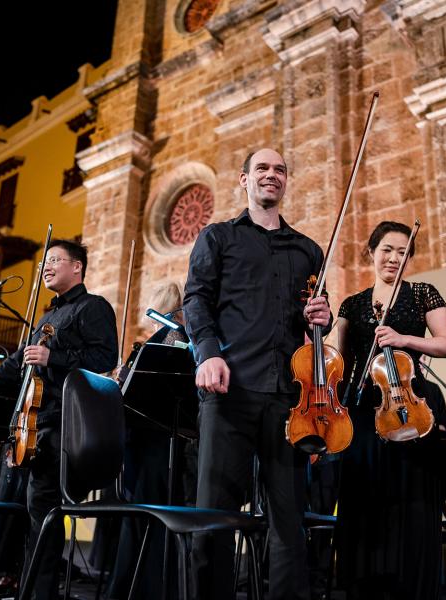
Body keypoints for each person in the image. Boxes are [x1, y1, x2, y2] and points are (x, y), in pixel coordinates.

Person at [184, 148, 331, 600]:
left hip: (289, 398)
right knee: (214, 515)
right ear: (243, 180)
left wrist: (321, 315)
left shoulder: (308, 250)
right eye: (262, 169)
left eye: (280, 170)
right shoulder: (218, 237)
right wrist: (208, 353)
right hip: (229, 390)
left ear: (286, 182)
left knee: (289, 520)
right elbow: (196, 300)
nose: (272, 176)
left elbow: (316, 320)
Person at [0, 239, 118, 600]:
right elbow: (15, 365)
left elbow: (106, 357)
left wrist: (52, 357)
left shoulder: (94, 307)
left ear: (77, 267)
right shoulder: (46, 318)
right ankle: (32, 588)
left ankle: (38, 591)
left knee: (43, 513)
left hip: (66, 427)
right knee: (36, 515)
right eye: (45, 261)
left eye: (55, 259)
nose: (47, 265)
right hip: (35, 428)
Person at [332, 220, 446, 599]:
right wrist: (316, 329)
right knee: (364, 505)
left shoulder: (423, 293)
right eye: (387, 249)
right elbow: (336, 360)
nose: (393, 257)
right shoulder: (352, 304)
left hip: (409, 410)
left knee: (411, 506)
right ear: (371, 252)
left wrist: (403, 338)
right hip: (363, 410)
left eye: (403, 252)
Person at [107, 282, 192, 600]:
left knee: (147, 514)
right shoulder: (169, 338)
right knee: (145, 515)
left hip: (158, 438)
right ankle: (142, 586)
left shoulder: (171, 338)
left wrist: (123, 379)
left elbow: (150, 390)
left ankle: (140, 588)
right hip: (154, 437)